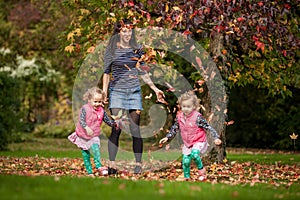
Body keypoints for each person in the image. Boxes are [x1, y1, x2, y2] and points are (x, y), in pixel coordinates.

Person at [102, 19, 165, 174]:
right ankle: (112, 165)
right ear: (118, 32)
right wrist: (104, 92)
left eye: (130, 30)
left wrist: (155, 89)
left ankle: (138, 165)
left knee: (135, 129)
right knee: (116, 129)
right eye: (124, 30)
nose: (127, 33)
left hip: (134, 92)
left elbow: (143, 72)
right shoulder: (111, 50)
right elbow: (106, 72)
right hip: (117, 92)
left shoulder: (138, 49)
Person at [159, 91, 222, 181]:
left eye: (188, 107)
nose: (186, 109)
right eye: (184, 106)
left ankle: (202, 173)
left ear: (194, 107)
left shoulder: (198, 117)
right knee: (185, 161)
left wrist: (216, 138)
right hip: (188, 143)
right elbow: (174, 128)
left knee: (195, 155)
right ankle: (186, 177)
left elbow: (208, 127)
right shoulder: (180, 117)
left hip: (199, 140)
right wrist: (167, 137)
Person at [68, 87, 117, 176]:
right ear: (89, 100)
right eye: (95, 101)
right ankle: (89, 171)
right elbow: (81, 120)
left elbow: (107, 120)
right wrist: (86, 128)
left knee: (96, 149)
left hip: (93, 135)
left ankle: (99, 167)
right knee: (86, 154)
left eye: (100, 102)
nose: (98, 104)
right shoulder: (85, 109)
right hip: (83, 135)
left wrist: (114, 124)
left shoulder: (101, 111)